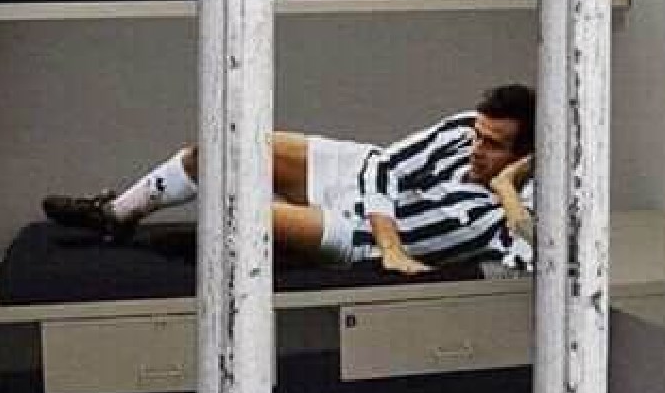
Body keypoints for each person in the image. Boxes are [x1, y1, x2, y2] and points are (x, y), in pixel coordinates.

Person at [44, 84, 536, 275]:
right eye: (478, 135)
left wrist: (507, 189)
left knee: (238, 209)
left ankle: (255, 238)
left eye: (493, 145)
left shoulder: (536, 202)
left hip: (356, 232)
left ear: (526, 155)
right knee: (218, 152)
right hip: (361, 181)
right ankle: (116, 215)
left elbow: (538, 258)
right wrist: (392, 245)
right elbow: (384, 166)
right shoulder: (464, 130)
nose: (476, 147)